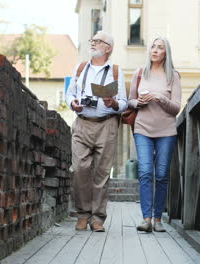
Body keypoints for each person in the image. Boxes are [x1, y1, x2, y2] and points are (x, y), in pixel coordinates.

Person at [65, 31, 127, 231]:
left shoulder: (116, 71)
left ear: (108, 48)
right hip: (82, 122)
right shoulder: (81, 67)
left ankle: (97, 218)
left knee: (102, 173)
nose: (92, 43)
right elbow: (69, 94)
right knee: (79, 169)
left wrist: (113, 102)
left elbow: (124, 104)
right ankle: (82, 214)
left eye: (97, 41)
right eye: (92, 40)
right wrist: (72, 103)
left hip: (107, 124)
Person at [127, 37, 181, 232]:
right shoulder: (140, 73)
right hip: (142, 129)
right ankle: (146, 218)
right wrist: (139, 103)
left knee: (161, 174)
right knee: (145, 172)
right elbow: (129, 101)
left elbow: (176, 108)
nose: (155, 50)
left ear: (166, 52)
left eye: (160, 47)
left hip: (166, 131)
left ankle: (158, 219)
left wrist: (159, 97)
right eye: (153, 46)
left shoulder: (173, 76)